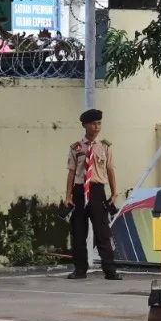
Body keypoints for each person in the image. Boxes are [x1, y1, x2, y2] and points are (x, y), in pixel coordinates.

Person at [65, 109, 119, 280]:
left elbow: (110, 170)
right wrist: (68, 196)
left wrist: (114, 192)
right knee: (79, 231)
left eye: (99, 123)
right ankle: (80, 269)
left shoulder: (105, 146)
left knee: (102, 231)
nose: (97, 127)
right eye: (93, 123)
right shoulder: (76, 148)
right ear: (85, 125)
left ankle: (110, 270)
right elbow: (72, 173)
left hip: (97, 190)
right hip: (80, 191)